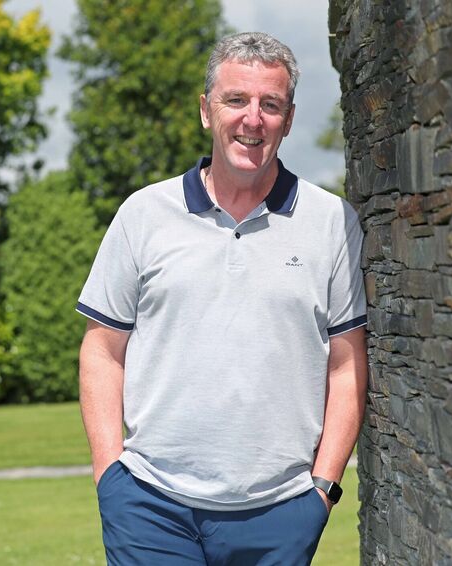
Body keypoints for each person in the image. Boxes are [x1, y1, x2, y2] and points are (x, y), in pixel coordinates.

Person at [76, 31, 368, 565]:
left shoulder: (331, 223)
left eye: (270, 104)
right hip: (148, 507)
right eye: (236, 100)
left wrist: (322, 491)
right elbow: (102, 349)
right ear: (207, 110)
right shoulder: (143, 214)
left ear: (289, 118)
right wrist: (109, 475)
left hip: (280, 513)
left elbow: (346, 365)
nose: (252, 119)